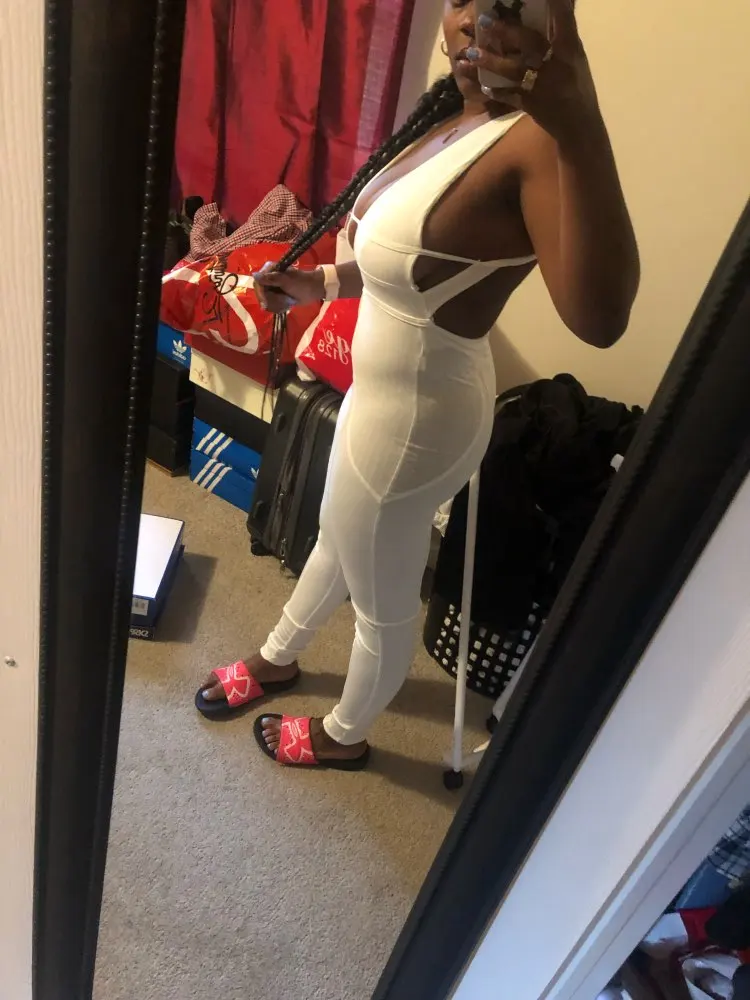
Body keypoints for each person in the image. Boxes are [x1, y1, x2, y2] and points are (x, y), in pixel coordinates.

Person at [195, 0, 639, 770]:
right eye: (463, 0)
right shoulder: (446, 120)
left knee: (383, 598)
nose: (475, 22)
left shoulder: (535, 143)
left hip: (419, 419)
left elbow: (600, 320)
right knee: (337, 533)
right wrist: (319, 284)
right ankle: (278, 656)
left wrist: (582, 118)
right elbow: (399, 262)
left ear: (550, 27)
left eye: (506, 6)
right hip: (380, 399)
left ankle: (344, 736)